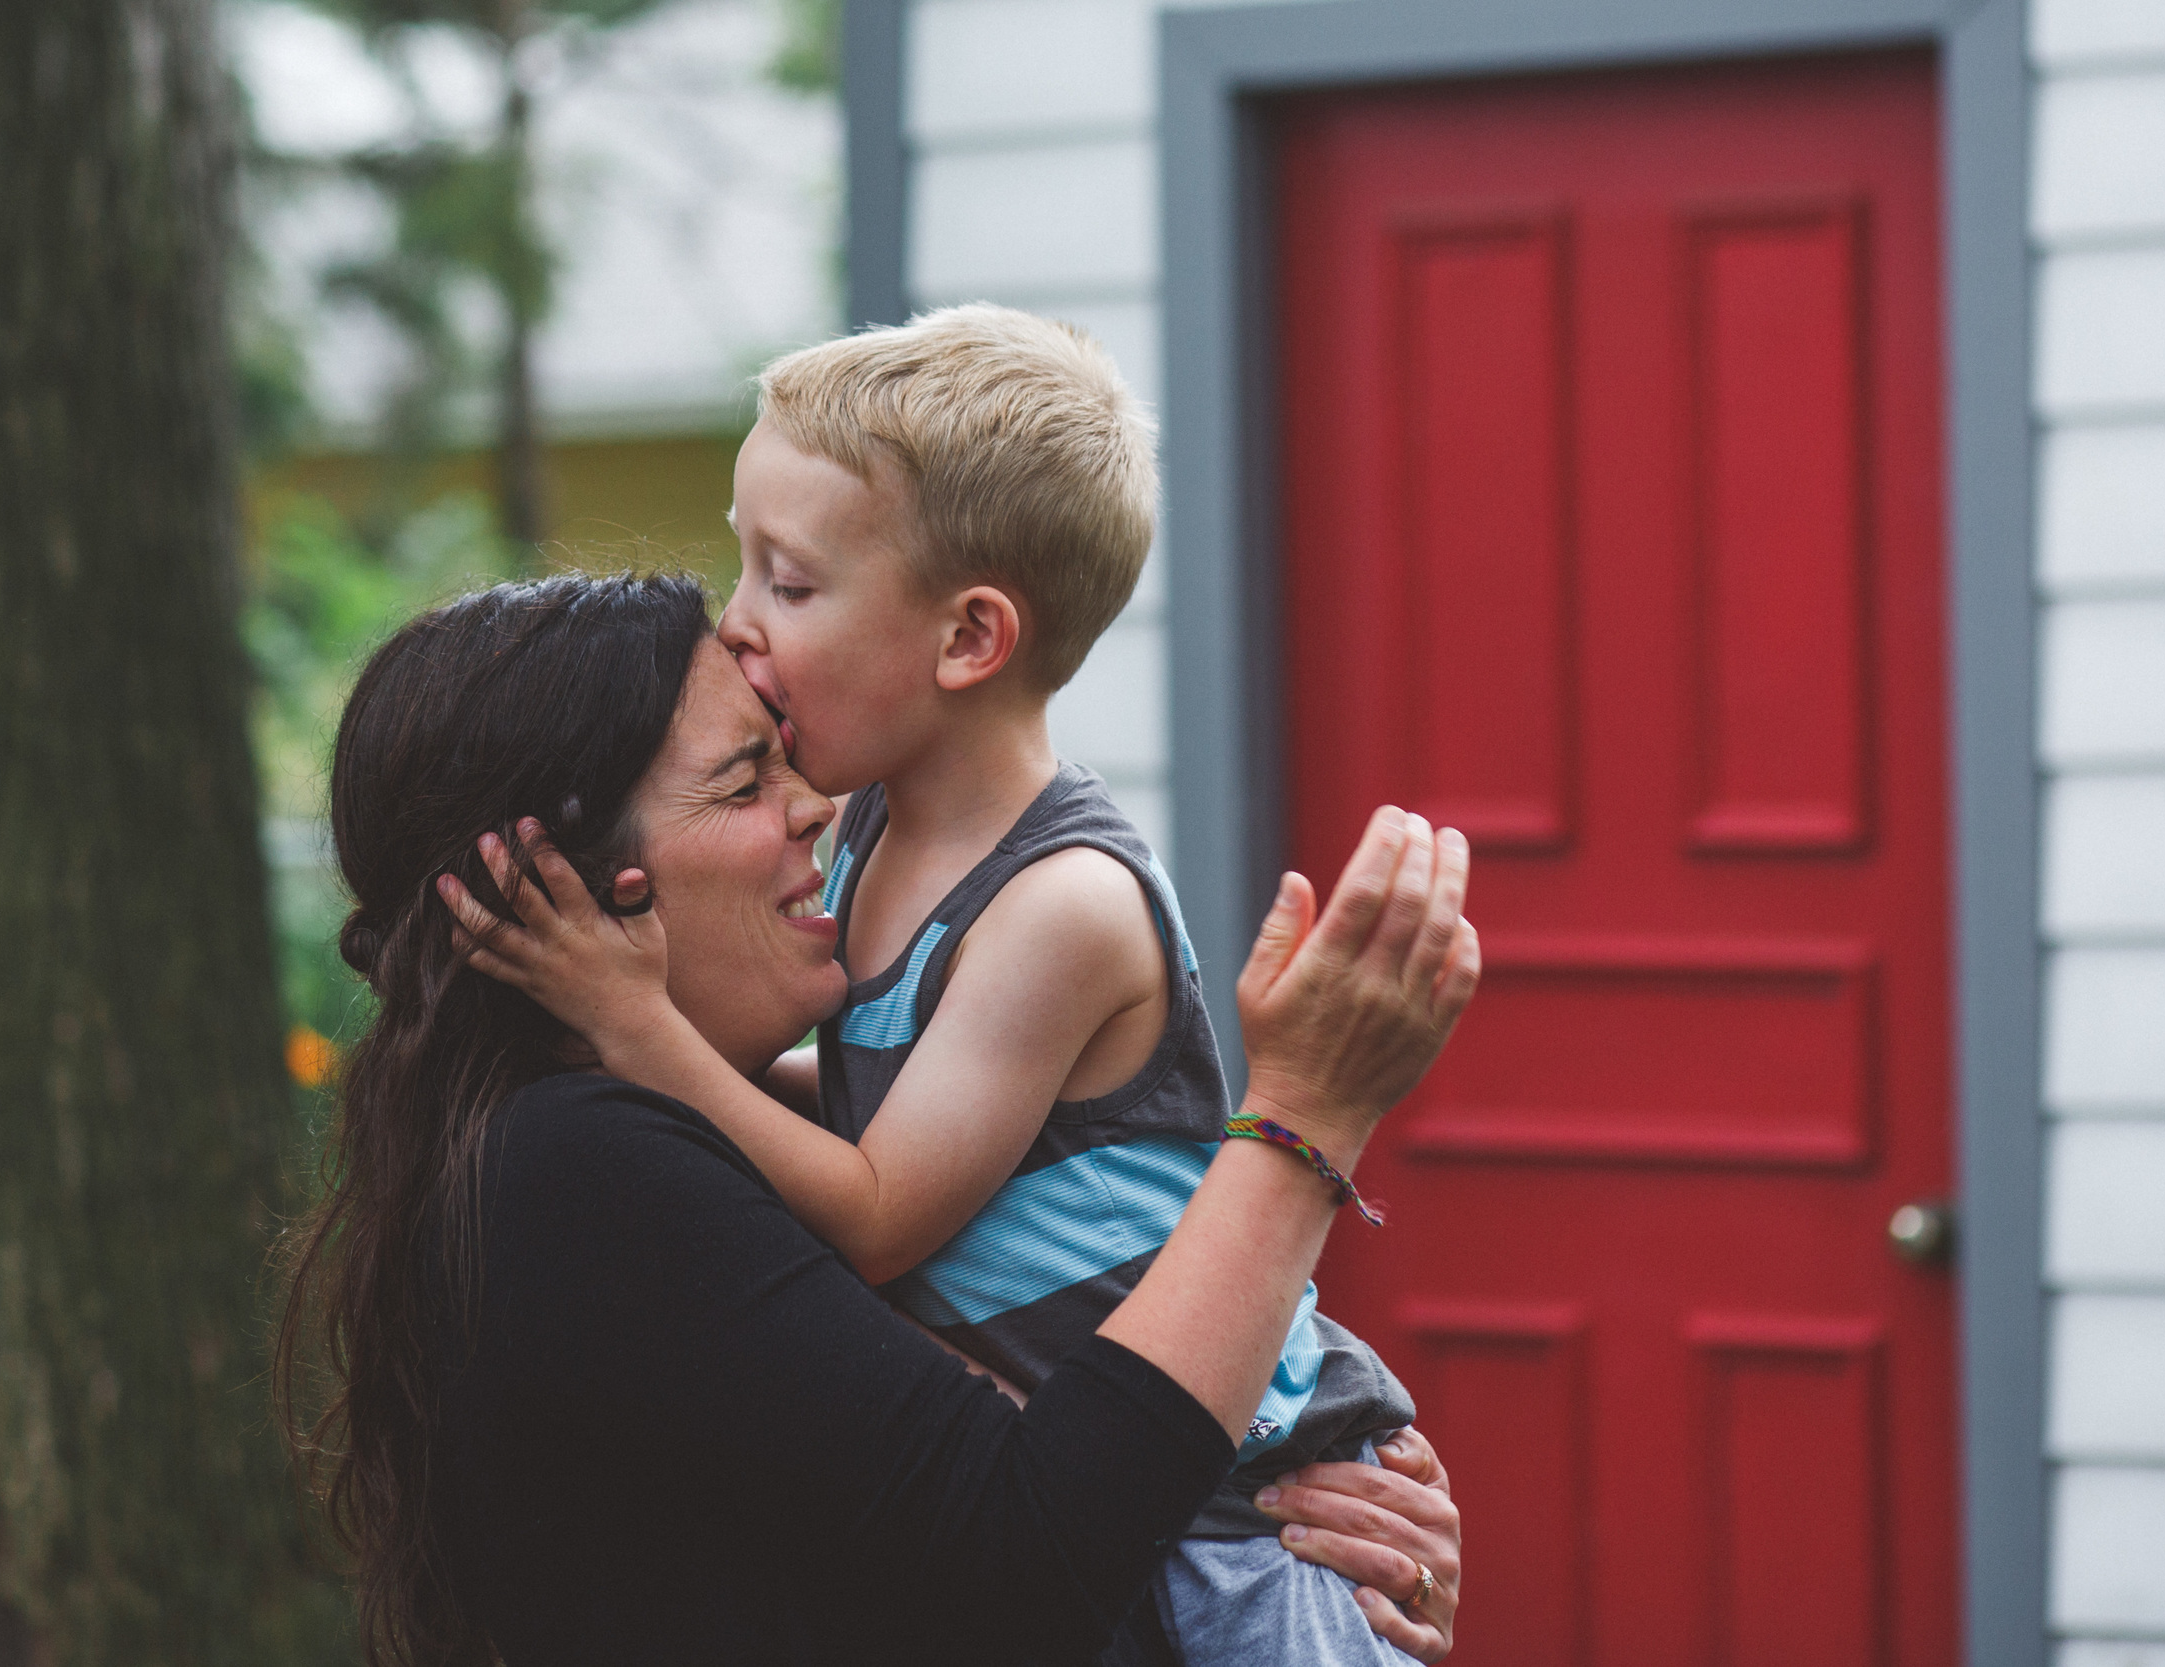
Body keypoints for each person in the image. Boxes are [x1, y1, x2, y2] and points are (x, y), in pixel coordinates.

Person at [443, 306, 1429, 1667]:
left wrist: (636, 1024)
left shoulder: (1058, 904)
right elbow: (874, 1091)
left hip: (1231, 1505)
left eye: (786, 581)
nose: (738, 625)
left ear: (969, 638)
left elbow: (881, 1209)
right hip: (1118, 1454)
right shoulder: (870, 830)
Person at [273, 571, 1478, 1667]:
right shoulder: (576, 1164)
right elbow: (1029, 1552)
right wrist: (1302, 1117)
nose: (816, 807)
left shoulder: (661, 1143)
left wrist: (1316, 1538)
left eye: (787, 758)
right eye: (745, 779)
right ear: (572, 887)